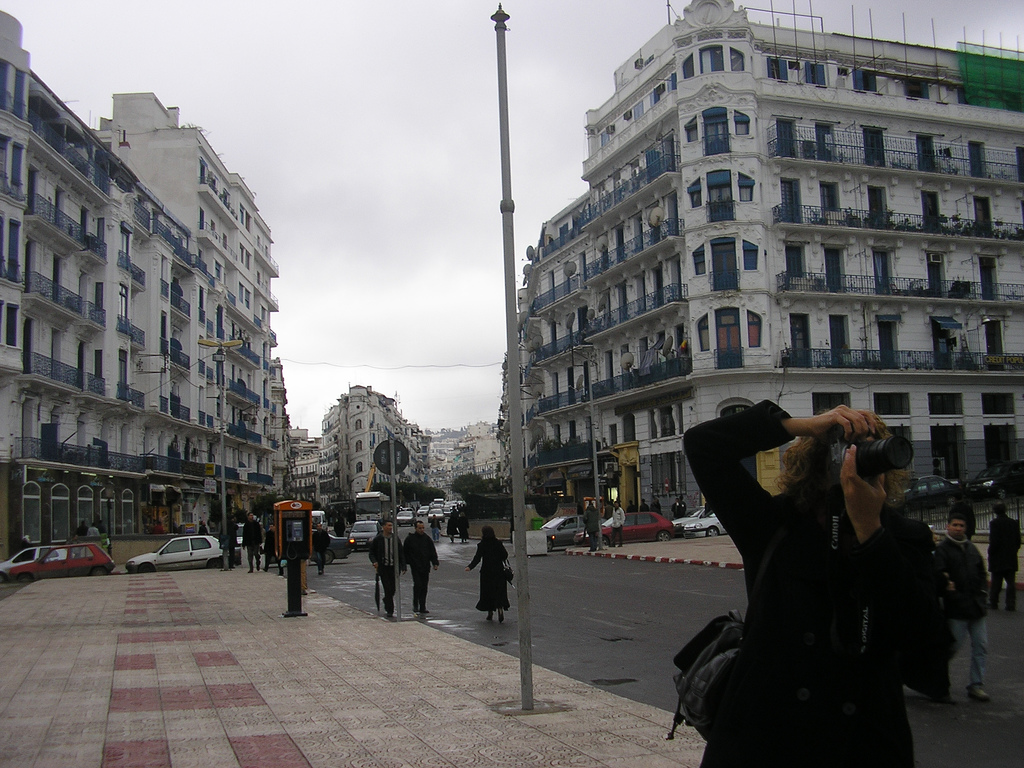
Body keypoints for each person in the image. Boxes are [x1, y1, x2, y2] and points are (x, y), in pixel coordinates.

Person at [683, 401, 948, 768]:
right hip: (768, 739)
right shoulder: (773, 525)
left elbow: (924, 639)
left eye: (871, 452)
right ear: (821, 462)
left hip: (861, 744)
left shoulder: (904, 537)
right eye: (846, 451)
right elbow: (702, 444)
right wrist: (802, 425)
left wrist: (871, 531)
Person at [935, 509, 990, 701]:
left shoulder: (971, 548)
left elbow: (982, 573)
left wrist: (983, 593)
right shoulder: (943, 550)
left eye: (961, 526)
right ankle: (935, 678)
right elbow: (941, 577)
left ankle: (976, 684)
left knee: (980, 646)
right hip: (957, 610)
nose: (958, 529)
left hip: (976, 607)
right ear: (948, 527)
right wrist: (953, 595)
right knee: (952, 648)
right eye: (955, 525)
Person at [465, 525, 510, 622]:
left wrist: (470, 567)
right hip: (498, 572)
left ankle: (490, 611)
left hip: (486, 573)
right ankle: (500, 608)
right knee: (499, 592)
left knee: (488, 593)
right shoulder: (498, 543)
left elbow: (477, 558)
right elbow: (505, 555)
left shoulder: (482, 545)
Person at [987, 501, 1020, 610]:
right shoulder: (1013, 523)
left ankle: (993, 601)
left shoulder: (994, 523)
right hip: (1010, 556)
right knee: (1011, 582)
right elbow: (1018, 541)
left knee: (996, 581)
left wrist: (990, 552)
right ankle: (1010, 603)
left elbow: (994, 541)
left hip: (998, 557)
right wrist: (1013, 550)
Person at [368, 521, 406, 618]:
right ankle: (390, 609)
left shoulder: (395, 539)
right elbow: (371, 552)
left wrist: (403, 566)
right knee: (387, 588)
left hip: (393, 568)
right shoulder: (378, 539)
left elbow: (401, 553)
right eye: (388, 525)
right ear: (383, 527)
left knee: (393, 588)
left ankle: (387, 600)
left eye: (391, 526)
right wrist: (375, 561)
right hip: (383, 568)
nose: (390, 527)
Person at [404, 520, 439, 615]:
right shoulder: (410, 539)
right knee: (418, 585)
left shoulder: (427, 539)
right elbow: (404, 553)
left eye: (423, 528)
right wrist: (406, 564)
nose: (421, 530)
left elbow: (432, 552)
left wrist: (435, 563)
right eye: (419, 528)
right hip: (415, 566)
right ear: (415, 528)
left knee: (424, 587)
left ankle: (422, 606)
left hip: (425, 566)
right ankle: (416, 604)